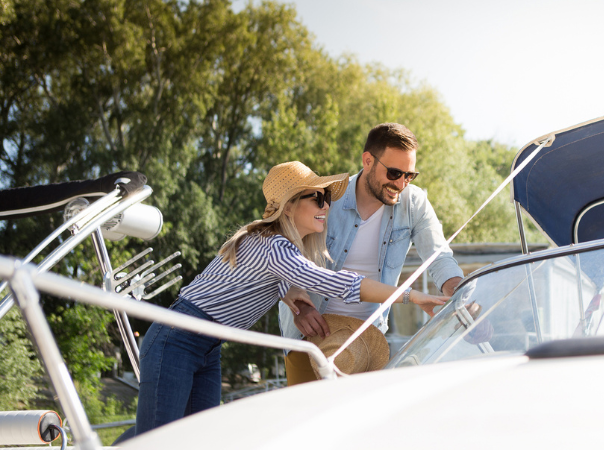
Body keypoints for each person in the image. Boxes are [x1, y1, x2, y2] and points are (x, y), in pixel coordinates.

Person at [131, 161, 447, 437]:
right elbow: (338, 283)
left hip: (207, 345)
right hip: (177, 339)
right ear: (290, 206)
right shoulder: (276, 248)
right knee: (157, 440)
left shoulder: (276, 245)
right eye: (317, 198)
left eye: (327, 198)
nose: (327, 206)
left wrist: (296, 300)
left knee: (197, 440)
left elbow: (277, 283)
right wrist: (413, 296)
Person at [278, 123, 464, 384]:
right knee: (307, 411)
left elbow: (439, 257)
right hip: (309, 335)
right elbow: (284, 253)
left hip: (368, 343)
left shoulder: (414, 204)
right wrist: (298, 305)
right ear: (368, 161)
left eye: (410, 175)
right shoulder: (326, 197)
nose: (401, 184)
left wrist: (459, 295)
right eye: (394, 173)